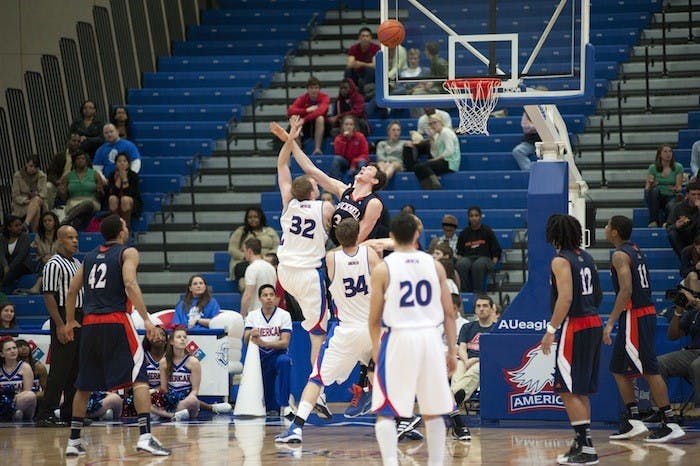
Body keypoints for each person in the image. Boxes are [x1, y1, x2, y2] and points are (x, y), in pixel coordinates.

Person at [61, 214, 170, 456]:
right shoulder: (127, 252)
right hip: (116, 320)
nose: (127, 228)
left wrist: (70, 322)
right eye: (125, 225)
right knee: (139, 377)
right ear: (121, 232)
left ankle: (74, 441)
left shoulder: (88, 257)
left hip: (89, 324)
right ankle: (145, 436)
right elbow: (130, 284)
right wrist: (146, 319)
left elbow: (71, 291)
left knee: (85, 383)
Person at [276, 218, 380, 444]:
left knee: (316, 379)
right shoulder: (370, 255)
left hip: (347, 330)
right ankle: (401, 419)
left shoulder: (331, 258)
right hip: (372, 329)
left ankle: (296, 428)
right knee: (377, 372)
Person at [368, 212, 456, 465]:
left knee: (386, 410)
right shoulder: (435, 265)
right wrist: (451, 350)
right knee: (433, 410)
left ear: (392, 237)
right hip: (430, 337)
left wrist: (376, 348)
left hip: (400, 338)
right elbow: (449, 314)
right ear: (417, 234)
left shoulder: (383, 269)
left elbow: (374, 319)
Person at [603, 214, 686, 442]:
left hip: (635, 316)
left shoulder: (620, 255)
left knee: (649, 369)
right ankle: (633, 420)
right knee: (618, 368)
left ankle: (669, 422)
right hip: (641, 314)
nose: (605, 227)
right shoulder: (636, 251)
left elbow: (626, 290)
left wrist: (610, 321)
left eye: (607, 225)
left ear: (615, 232)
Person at [273, 117, 335, 418]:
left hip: (284, 273)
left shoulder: (288, 203)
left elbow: (282, 166)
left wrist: (290, 138)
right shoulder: (324, 207)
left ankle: (315, 391)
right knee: (317, 335)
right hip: (309, 275)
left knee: (314, 330)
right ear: (312, 192)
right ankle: (317, 391)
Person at [540, 214, 603, 465]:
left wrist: (551, 329)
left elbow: (564, 298)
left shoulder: (560, 260)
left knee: (567, 389)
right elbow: (597, 294)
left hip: (575, 325)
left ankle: (586, 447)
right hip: (593, 322)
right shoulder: (586, 257)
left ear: (553, 234)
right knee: (580, 389)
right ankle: (581, 443)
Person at [34, 225, 81, 427]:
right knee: (60, 368)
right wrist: (61, 325)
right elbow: (49, 296)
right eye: (70, 237)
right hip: (63, 315)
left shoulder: (77, 262)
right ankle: (45, 413)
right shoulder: (54, 264)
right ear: (60, 241)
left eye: (76, 237)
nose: (76, 241)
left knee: (75, 368)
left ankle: (69, 412)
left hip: (79, 314)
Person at [450, 294, 497, 438]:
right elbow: (461, 348)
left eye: (485, 306)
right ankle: (454, 399)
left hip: (484, 363)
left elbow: (493, 353)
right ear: (475, 309)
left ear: (491, 308)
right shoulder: (468, 326)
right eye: (478, 306)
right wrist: (466, 361)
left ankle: (450, 401)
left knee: (476, 370)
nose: (481, 309)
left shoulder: (496, 328)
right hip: (465, 360)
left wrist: (475, 360)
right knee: (458, 369)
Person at [244, 284, 293, 416]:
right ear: (260, 298)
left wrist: (264, 343)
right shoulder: (252, 315)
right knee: (270, 408)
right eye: (265, 295)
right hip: (258, 357)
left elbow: (285, 342)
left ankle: (285, 404)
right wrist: (250, 334)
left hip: (277, 354)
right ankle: (274, 403)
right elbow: (246, 341)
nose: (269, 298)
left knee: (285, 361)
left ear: (276, 297)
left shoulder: (284, 315)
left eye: (271, 295)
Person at [657, 289, 700, 408]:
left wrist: (694, 301)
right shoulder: (694, 313)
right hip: (694, 352)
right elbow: (672, 335)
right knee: (658, 364)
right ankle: (664, 410)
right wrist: (678, 311)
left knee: (697, 366)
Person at [152, 327, 201, 421]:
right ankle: (173, 415)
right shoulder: (164, 362)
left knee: (193, 401)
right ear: (171, 342)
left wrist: (185, 401)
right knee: (144, 399)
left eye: (184, 337)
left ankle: (166, 414)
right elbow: (164, 388)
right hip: (169, 401)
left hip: (186, 401)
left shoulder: (193, 362)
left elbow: (195, 391)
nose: (182, 339)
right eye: (179, 337)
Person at [455, 206, 502, 292]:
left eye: (476, 215)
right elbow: (460, 253)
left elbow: (496, 250)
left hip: (485, 259)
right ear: (468, 218)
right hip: (469, 258)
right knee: (461, 264)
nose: (474, 218)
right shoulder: (464, 233)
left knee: (478, 265)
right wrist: (460, 261)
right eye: (471, 216)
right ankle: (465, 294)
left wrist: (493, 265)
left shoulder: (487, 231)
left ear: (480, 217)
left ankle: (478, 293)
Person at [227, 207, 279, 283]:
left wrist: (265, 257)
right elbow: (232, 249)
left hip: (266, 261)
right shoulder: (241, 231)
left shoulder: (270, 231)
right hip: (245, 262)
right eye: (250, 217)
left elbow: (277, 247)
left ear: (260, 218)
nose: (252, 219)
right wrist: (246, 257)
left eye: (255, 217)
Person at [57, 151, 105, 230]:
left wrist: (99, 191)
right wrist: (62, 193)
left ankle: (66, 221)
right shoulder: (68, 176)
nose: (80, 160)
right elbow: (64, 197)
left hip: (92, 201)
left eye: (83, 158)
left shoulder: (95, 174)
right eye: (78, 159)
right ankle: (74, 228)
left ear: (86, 161)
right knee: (80, 215)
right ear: (74, 161)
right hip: (73, 201)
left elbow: (101, 195)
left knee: (87, 204)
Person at [412, 114, 461, 190]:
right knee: (417, 167)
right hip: (442, 160)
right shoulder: (437, 136)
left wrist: (436, 159)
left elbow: (449, 151)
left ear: (441, 122)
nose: (433, 125)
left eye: (435, 122)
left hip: (450, 162)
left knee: (424, 166)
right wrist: (431, 139)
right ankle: (428, 188)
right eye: (430, 124)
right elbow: (434, 154)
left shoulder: (446, 132)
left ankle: (437, 185)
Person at [287, 76, 330, 155]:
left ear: (319, 89)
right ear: (307, 89)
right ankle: (298, 150)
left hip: (322, 125)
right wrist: (306, 110)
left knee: (320, 118)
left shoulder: (325, 97)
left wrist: (304, 119)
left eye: (316, 88)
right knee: (294, 118)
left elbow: (320, 111)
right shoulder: (303, 98)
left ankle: (317, 148)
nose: (314, 90)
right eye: (311, 88)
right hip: (306, 126)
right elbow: (290, 111)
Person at [645, 144, 683, 227]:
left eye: (670, 151)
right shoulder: (652, 168)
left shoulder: (678, 167)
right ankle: (653, 221)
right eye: (665, 151)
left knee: (670, 205)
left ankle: (667, 223)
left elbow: (679, 187)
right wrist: (651, 184)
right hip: (657, 197)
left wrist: (675, 189)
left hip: (671, 195)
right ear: (659, 154)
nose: (668, 154)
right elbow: (647, 188)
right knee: (654, 191)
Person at [0, 337, 37, 421]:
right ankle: (12, 415)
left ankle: (16, 416)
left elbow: (27, 391)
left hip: (19, 402)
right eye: (8, 349)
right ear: (2, 354)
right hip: (1, 404)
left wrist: (13, 399)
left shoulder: (25, 367)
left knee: (30, 396)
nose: (12, 351)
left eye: (14, 348)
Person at [240, 238, 277, 318]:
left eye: (244, 251)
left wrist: (242, 315)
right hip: (271, 313)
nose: (244, 254)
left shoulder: (252, 268)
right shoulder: (271, 267)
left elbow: (248, 295)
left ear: (249, 251)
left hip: (256, 314)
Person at [11, 155, 48, 233]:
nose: (32, 169)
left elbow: (44, 193)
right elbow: (15, 195)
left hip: (38, 200)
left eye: (35, 167)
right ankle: (34, 233)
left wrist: (36, 194)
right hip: (22, 204)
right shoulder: (18, 176)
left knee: (36, 200)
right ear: (26, 164)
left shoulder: (42, 176)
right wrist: (25, 200)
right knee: (36, 208)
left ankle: (26, 224)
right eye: (31, 166)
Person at [330, 115, 370, 183]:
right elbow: (339, 153)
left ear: (354, 126)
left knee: (362, 162)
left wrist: (354, 163)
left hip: (357, 161)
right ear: (343, 126)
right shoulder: (339, 139)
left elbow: (365, 154)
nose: (349, 126)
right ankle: (335, 183)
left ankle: (359, 183)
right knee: (336, 159)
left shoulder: (360, 137)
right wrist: (344, 140)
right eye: (346, 124)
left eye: (351, 124)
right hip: (345, 161)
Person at [106, 153, 142, 228]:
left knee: (124, 200)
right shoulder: (111, 175)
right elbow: (112, 193)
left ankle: (125, 228)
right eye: (119, 161)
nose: (122, 163)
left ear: (128, 164)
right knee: (112, 199)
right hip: (116, 201)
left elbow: (129, 194)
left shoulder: (133, 175)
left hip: (131, 202)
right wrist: (119, 179)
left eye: (124, 161)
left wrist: (125, 179)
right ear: (116, 164)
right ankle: (116, 227)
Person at [46, 133, 81, 210]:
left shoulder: (82, 157)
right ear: (68, 141)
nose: (76, 143)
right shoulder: (59, 156)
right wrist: (57, 183)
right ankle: (48, 213)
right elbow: (51, 173)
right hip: (57, 183)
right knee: (48, 187)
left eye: (78, 141)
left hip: (73, 183)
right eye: (74, 141)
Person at [666, 181, 700, 259]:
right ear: (687, 195)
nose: (696, 197)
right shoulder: (678, 207)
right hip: (684, 238)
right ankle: (685, 259)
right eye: (693, 194)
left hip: (698, 237)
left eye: (699, 194)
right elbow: (668, 228)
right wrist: (676, 226)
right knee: (672, 233)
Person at [0, 215, 34, 291]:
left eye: (20, 225)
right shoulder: (3, 238)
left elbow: (21, 255)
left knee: (14, 270)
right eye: (16, 225)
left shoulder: (24, 237)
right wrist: (5, 266)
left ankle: (1, 286)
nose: (19, 227)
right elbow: (1, 254)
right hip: (8, 264)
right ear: (9, 227)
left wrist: (9, 267)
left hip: (23, 264)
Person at [344, 27, 380, 97]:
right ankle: (349, 91)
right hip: (357, 73)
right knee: (348, 70)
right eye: (363, 36)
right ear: (359, 38)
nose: (365, 38)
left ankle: (365, 90)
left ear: (370, 38)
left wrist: (361, 64)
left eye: (367, 36)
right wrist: (356, 64)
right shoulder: (353, 48)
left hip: (368, 74)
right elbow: (349, 64)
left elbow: (375, 65)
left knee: (370, 70)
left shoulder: (376, 48)